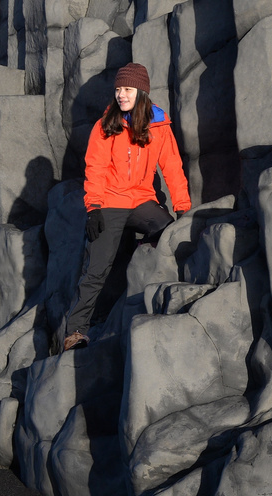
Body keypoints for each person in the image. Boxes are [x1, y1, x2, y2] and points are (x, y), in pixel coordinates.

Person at [59, 62, 191, 351]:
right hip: (109, 202)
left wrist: (183, 208)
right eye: (118, 89)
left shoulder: (159, 125)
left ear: (141, 92)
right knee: (97, 269)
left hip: (142, 200)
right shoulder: (106, 125)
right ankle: (75, 332)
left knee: (168, 231)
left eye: (127, 89)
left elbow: (172, 167)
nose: (121, 94)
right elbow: (94, 168)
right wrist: (93, 208)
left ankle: (158, 302)